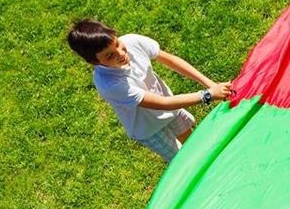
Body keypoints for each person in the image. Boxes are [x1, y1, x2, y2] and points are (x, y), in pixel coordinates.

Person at [66, 19, 233, 162]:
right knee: (183, 160)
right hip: (149, 129)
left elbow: (171, 60)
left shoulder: (132, 41)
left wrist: (210, 84)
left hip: (172, 108)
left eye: (117, 44)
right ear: (94, 62)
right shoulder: (109, 85)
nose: (120, 53)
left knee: (193, 141)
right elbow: (163, 103)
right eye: (109, 56)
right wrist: (207, 95)